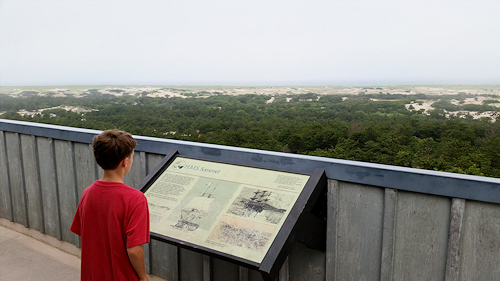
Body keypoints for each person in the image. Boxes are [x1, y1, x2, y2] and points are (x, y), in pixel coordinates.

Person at [71, 129, 150, 281]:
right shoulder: (135, 199)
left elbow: (86, 234)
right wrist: (143, 276)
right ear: (125, 162)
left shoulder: (87, 193)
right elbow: (133, 250)